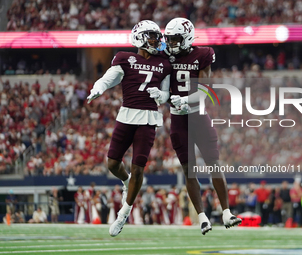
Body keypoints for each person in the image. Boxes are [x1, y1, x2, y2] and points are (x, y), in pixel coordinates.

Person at [87, 20, 171, 237]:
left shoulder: (164, 62)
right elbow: (108, 79)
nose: (156, 40)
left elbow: (166, 93)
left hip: (149, 118)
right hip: (127, 115)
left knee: (138, 168)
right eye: (151, 36)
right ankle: (126, 183)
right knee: (113, 163)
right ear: (140, 38)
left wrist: (160, 96)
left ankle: (124, 213)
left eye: (156, 36)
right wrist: (98, 88)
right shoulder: (124, 58)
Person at [164, 17, 241, 235]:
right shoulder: (166, 57)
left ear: (187, 37)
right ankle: (202, 217)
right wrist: (163, 96)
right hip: (178, 119)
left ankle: (226, 211)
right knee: (189, 170)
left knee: (213, 163)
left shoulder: (203, 54)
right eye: (169, 39)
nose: (172, 43)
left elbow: (205, 89)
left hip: (197, 115)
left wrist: (184, 99)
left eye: (176, 39)